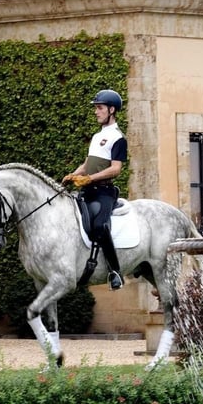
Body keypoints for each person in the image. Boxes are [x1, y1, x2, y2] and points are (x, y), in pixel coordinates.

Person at [63, 89, 127, 290]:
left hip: (104, 192)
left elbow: (116, 169)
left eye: (99, 108)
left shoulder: (118, 138)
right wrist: (73, 175)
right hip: (87, 191)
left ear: (111, 109)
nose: (96, 112)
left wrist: (90, 178)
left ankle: (114, 271)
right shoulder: (96, 136)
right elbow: (86, 163)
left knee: (100, 226)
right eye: (96, 108)